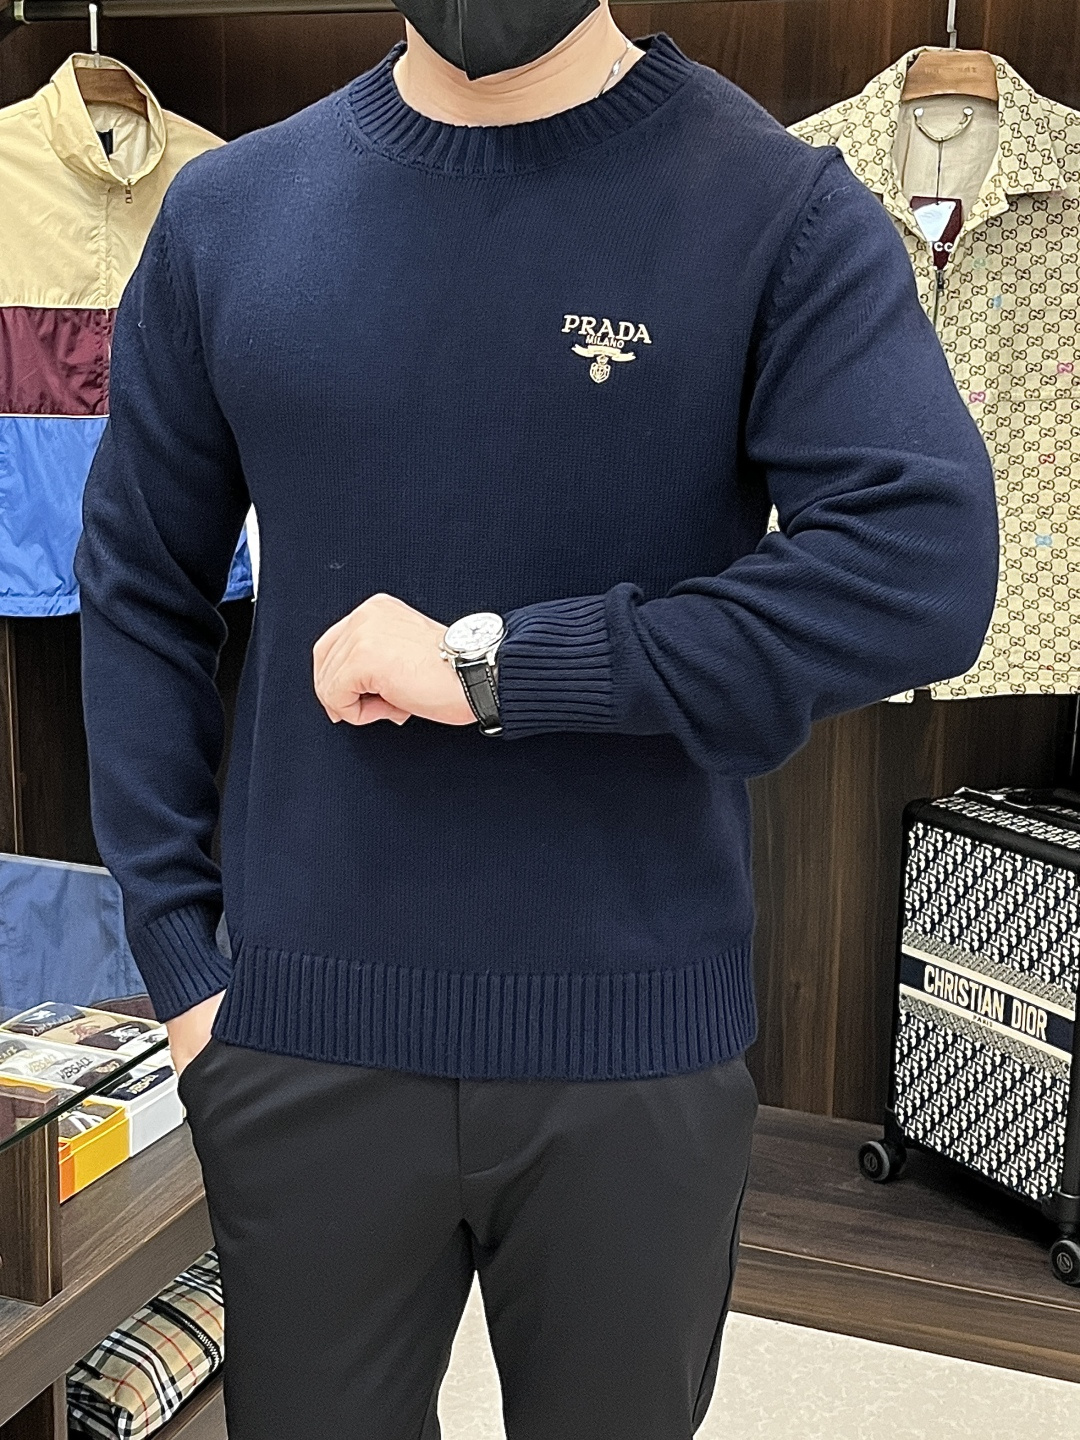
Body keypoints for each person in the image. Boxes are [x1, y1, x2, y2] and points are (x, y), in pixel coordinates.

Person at [75, 3, 998, 1437]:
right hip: (296, 1037)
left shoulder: (774, 207)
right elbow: (138, 584)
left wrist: (501, 668)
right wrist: (183, 960)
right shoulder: (231, 212)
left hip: (637, 1047)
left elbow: (920, 567)